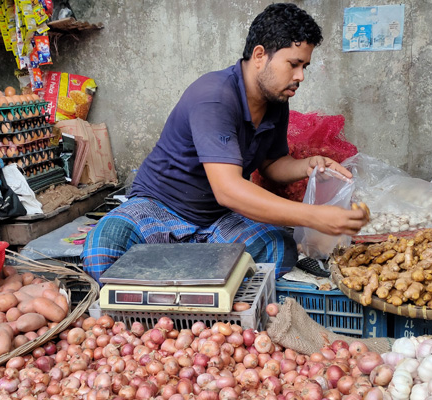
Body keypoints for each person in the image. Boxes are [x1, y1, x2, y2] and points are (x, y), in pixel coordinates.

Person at [82, 3, 368, 282]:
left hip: (217, 220)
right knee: (103, 248)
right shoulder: (214, 97)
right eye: (293, 64)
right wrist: (314, 217)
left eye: (304, 66)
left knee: (280, 249)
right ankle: (208, 267)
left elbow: (271, 164)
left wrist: (308, 166)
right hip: (160, 209)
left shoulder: (276, 102)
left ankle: (185, 265)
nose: (300, 77)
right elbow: (228, 190)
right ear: (259, 55)